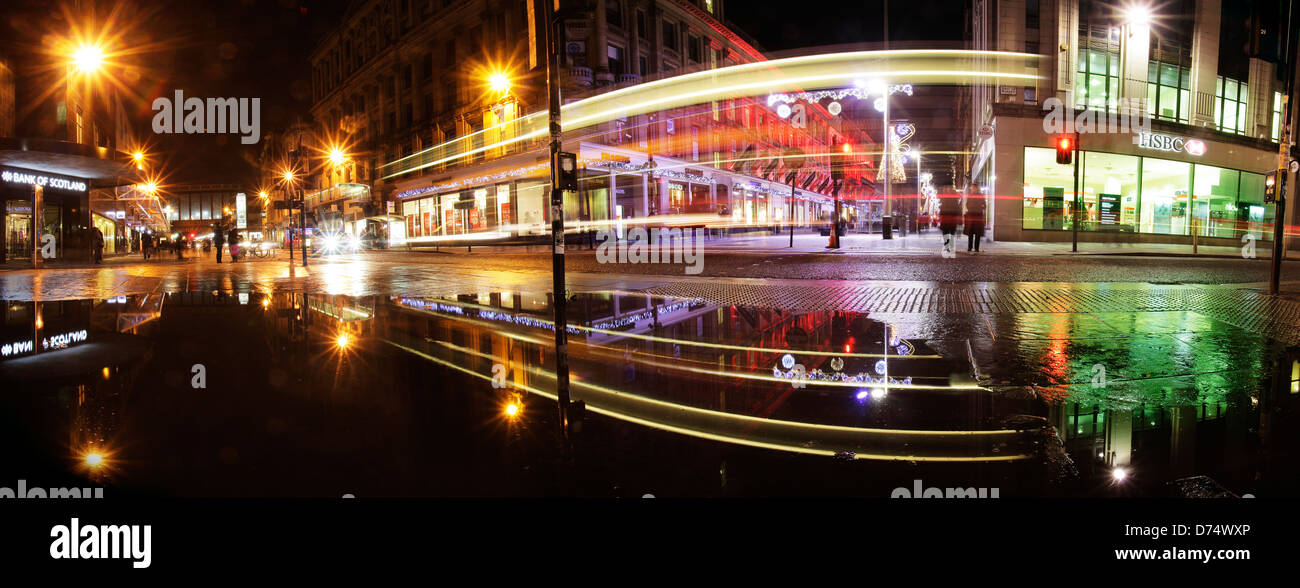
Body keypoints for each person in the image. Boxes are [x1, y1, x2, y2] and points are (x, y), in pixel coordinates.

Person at [938, 186, 962, 254]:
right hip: (948, 218)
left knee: (949, 233)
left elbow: (957, 208)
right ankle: (948, 246)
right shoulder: (949, 198)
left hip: (950, 218)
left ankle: (948, 246)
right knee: (948, 233)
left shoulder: (950, 198)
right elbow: (957, 208)